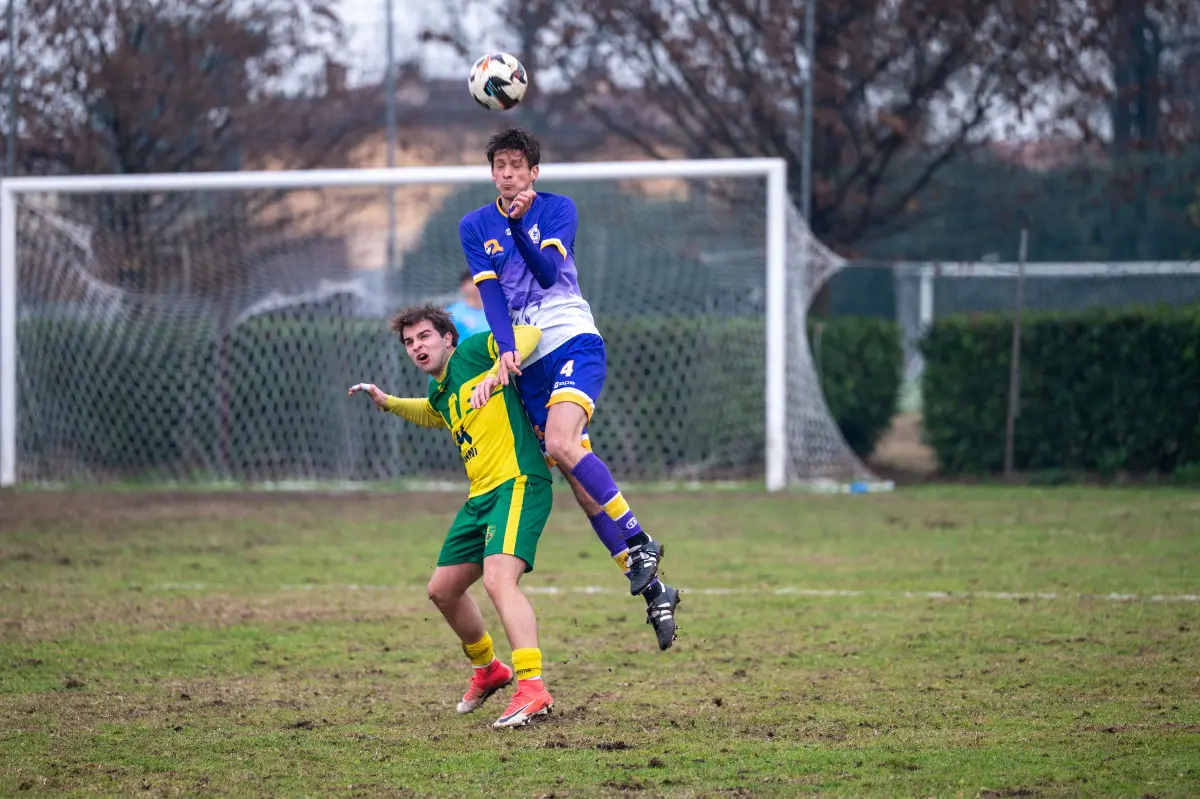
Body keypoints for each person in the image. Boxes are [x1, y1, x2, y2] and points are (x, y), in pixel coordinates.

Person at [457, 128, 680, 651]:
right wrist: (505, 346)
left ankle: (641, 541)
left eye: (517, 165)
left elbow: (547, 272)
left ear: (534, 172)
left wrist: (518, 230)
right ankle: (653, 587)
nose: (507, 173)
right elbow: (492, 297)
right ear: (492, 173)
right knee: (579, 480)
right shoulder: (473, 225)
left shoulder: (558, 209)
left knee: (560, 443)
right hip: (528, 362)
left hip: (571, 338)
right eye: (500, 166)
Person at [348, 304, 554, 728]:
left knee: (499, 580)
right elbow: (432, 412)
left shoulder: (476, 351)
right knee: (442, 590)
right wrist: (387, 402)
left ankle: (532, 687)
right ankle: (489, 669)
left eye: (424, 336)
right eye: (408, 342)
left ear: (448, 338)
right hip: (480, 498)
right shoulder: (442, 391)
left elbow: (528, 334)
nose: (416, 346)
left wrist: (503, 363)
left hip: (518, 483)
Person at [446, 269, 490, 340]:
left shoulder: (496, 311)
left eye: (481, 281)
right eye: (472, 281)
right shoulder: (452, 313)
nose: (477, 285)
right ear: (463, 286)